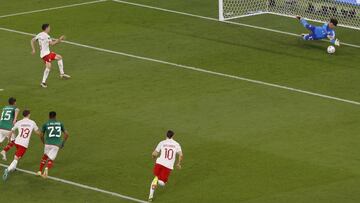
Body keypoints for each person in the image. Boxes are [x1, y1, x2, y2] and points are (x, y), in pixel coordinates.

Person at [3, 110, 41, 181]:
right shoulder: (32, 122)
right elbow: (37, 132)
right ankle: (7, 170)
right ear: (29, 115)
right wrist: (41, 134)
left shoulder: (19, 122)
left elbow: (11, 131)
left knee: (17, 156)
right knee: (16, 158)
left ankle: (13, 168)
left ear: (23, 115)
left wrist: (9, 140)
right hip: (24, 144)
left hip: (17, 142)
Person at [30, 23, 71, 88]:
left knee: (59, 57)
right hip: (45, 55)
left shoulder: (40, 34)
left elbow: (32, 40)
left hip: (47, 53)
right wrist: (60, 39)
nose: (50, 28)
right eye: (49, 27)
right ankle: (43, 82)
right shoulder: (47, 36)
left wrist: (33, 50)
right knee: (48, 66)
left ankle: (62, 74)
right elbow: (52, 44)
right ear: (46, 28)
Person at [148, 130, 183, 202]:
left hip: (159, 163)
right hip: (168, 165)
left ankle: (150, 196)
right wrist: (178, 163)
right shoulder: (176, 144)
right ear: (173, 136)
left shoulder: (162, 143)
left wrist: (153, 156)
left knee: (156, 178)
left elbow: (155, 153)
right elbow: (181, 154)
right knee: (162, 183)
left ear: (166, 135)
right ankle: (153, 190)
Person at [37, 111, 69, 178]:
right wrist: (62, 143)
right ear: (55, 116)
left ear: (49, 116)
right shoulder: (60, 124)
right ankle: (46, 169)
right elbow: (66, 134)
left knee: (45, 156)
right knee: (51, 159)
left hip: (48, 143)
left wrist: (43, 142)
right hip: (56, 144)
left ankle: (39, 171)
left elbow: (41, 135)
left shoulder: (45, 124)